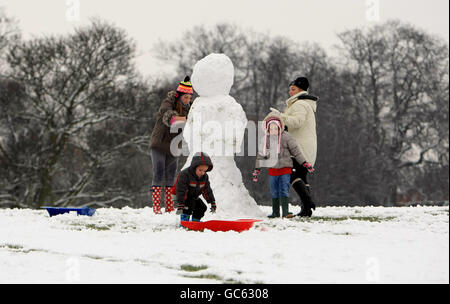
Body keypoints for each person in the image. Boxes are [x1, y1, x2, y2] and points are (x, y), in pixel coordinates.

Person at [271, 76, 319, 217]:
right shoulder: (303, 104)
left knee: (291, 173)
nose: (290, 92)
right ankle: (306, 209)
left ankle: (308, 202)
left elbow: (297, 122)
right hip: (305, 147)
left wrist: (280, 117)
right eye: (289, 89)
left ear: (301, 90)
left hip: (298, 147)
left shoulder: (300, 105)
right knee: (301, 176)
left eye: (293, 89)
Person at [253, 112, 314, 218]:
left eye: (276, 129)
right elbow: (260, 155)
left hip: (285, 169)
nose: (273, 131)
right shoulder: (265, 140)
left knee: (284, 190)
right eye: (271, 129)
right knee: (274, 191)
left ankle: (285, 212)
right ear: (267, 129)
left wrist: (304, 163)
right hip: (272, 170)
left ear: (280, 127)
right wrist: (257, 169)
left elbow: (296, 152)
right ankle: (275, 212)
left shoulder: (286, 137)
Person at [149, 76, 193, 214]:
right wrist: (188, 119)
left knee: (171, 175)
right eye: (185, 97)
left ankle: (169, 206)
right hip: (159, 143)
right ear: (179, 96)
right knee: (158, 172)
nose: (187, 100)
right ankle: (156, 207)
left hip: (174, 146)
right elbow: (171, 118)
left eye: (189, 98)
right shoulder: (168, 102)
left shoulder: (189, 108)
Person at [175, 152, 217, 222]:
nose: (202, 173)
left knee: (202, 207)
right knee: (190, 204)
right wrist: (181, 203)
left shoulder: (204, 177)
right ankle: (184, 221)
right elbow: (181, 190)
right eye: (200, 170)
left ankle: (195, 221)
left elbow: (207, 190)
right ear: (194, 167)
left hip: (194, 197)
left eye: (204, 171)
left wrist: (212, 202)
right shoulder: (185, 174)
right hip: (183, 198)